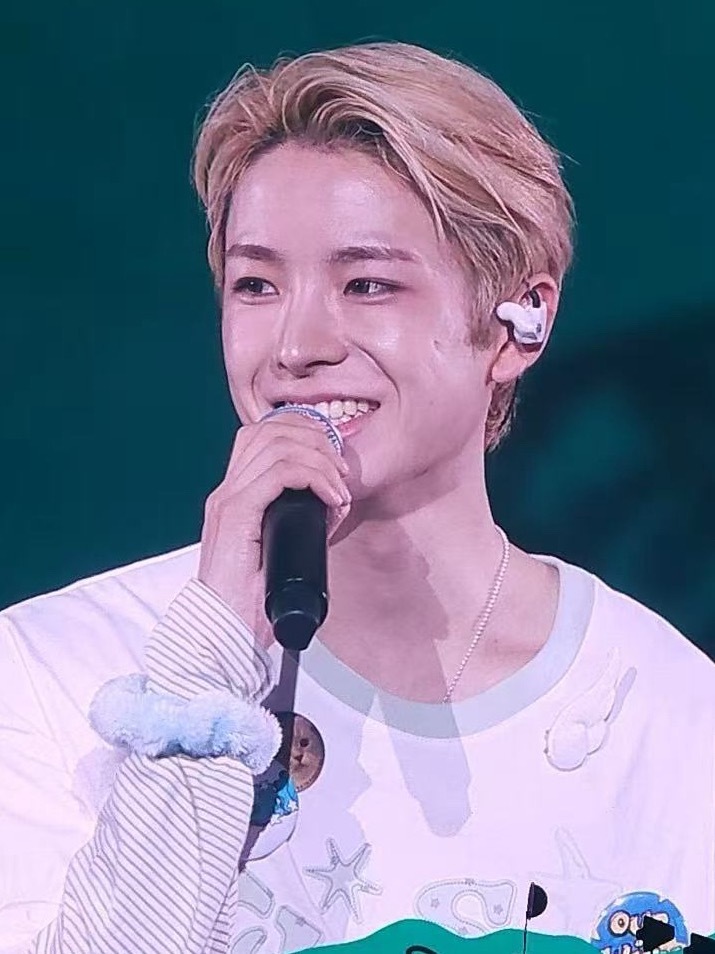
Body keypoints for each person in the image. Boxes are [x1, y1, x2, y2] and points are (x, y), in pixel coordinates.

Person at [1, 39, 713, 954]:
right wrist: (204, 666)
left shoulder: (667, 716)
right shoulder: (56, 673)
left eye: (366, 284)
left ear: (519, 324)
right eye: (256, 284)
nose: (297, 345)